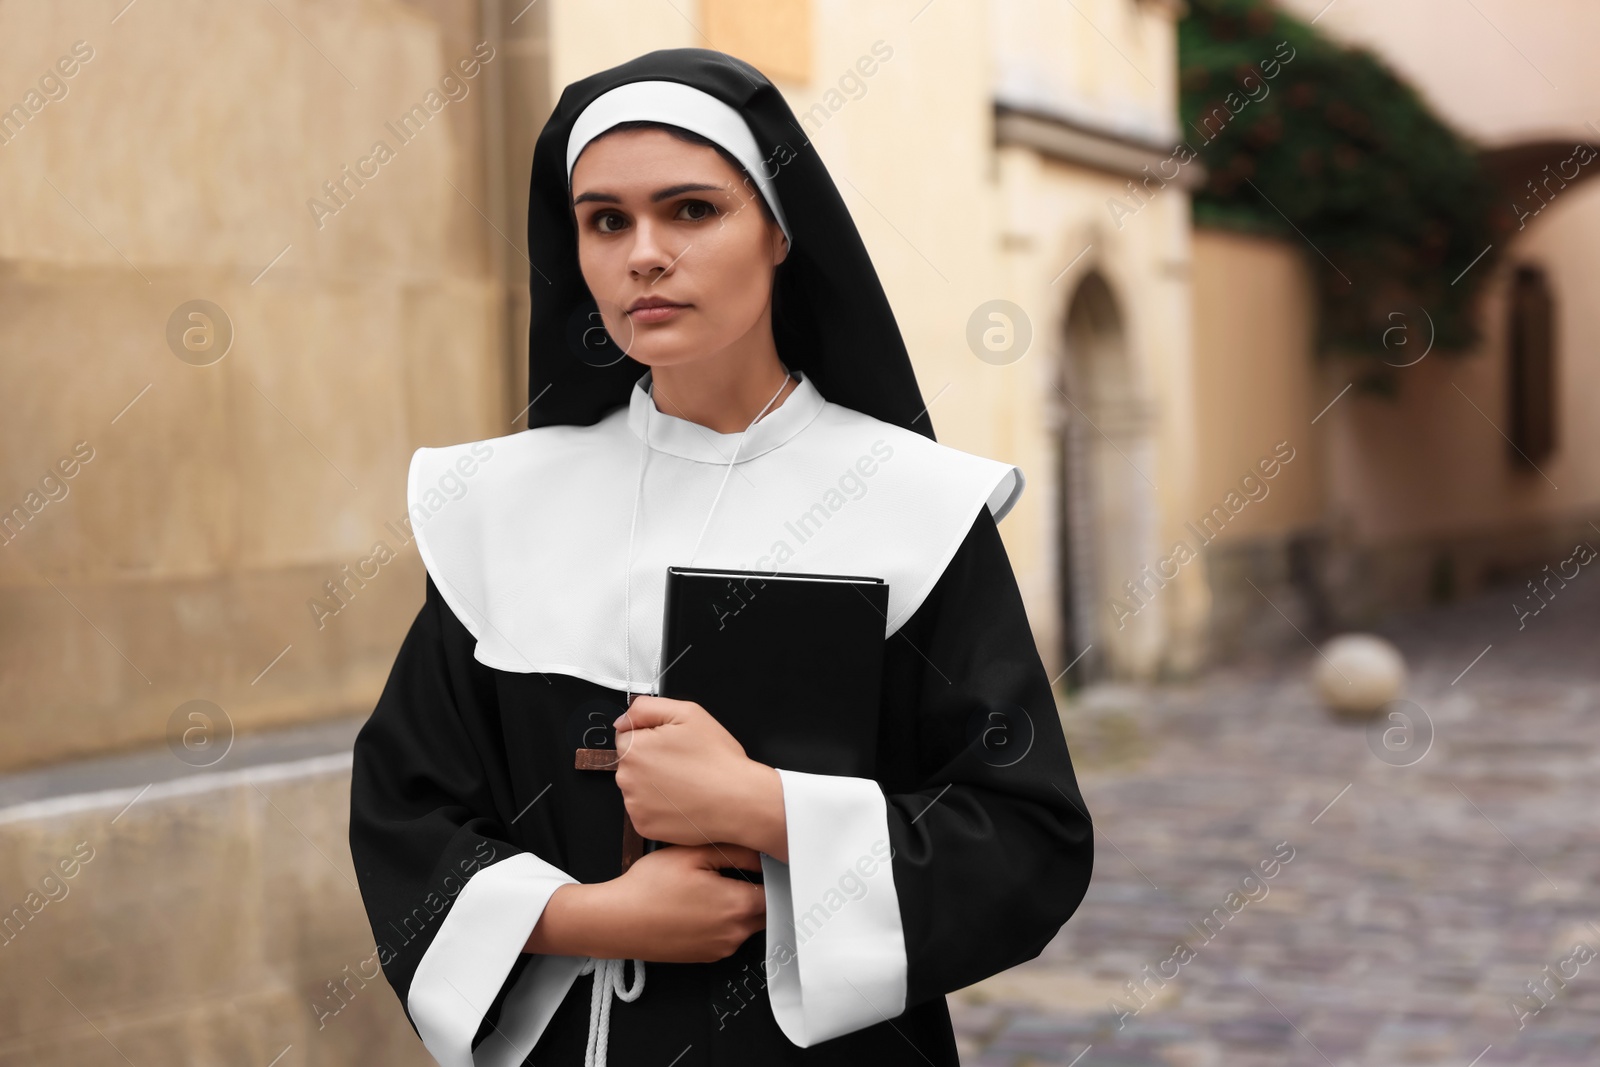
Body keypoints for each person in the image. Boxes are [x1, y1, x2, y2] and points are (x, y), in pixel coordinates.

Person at [348, 46, 1094, 1067]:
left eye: (691, 209)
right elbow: (405, 808)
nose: (642, 254)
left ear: (780, 231)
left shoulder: (908, 506)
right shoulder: (494, 504)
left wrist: (767, 808)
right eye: (605, 220)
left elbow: (1022, 841)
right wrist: (589, 917)